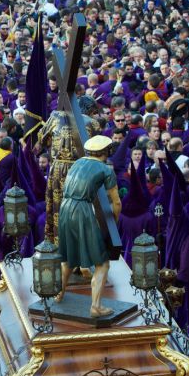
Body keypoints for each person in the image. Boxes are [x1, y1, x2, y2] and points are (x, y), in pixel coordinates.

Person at [56, 135, 121, 317]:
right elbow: (116, 203)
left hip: (65, 208)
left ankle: (59, 293)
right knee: (102, 263)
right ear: (106, 152)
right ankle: (96, 307)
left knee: (68, 257)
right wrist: (113, 222)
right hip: (83, 210)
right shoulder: (105, 169)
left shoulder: (77, 163)